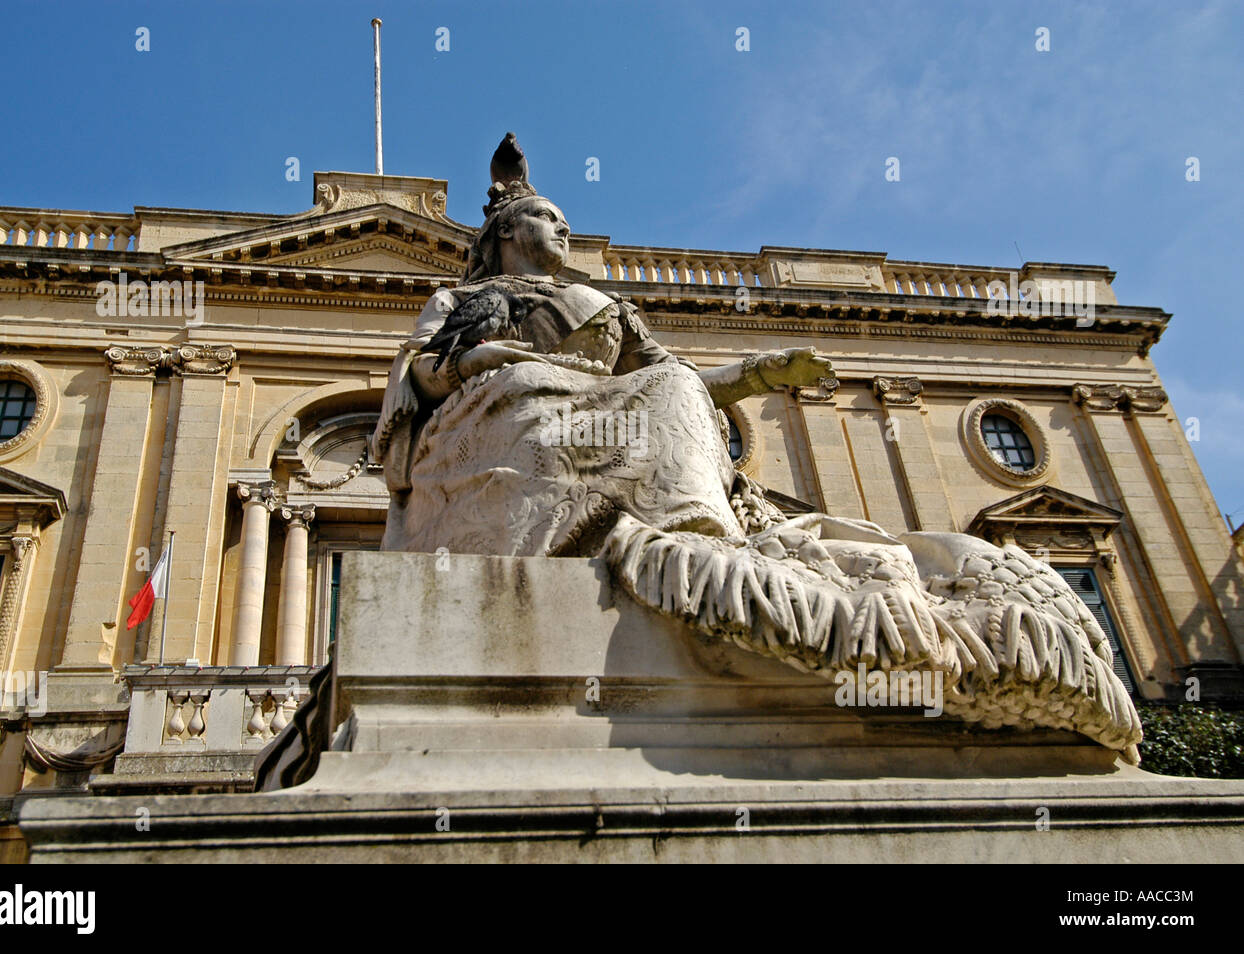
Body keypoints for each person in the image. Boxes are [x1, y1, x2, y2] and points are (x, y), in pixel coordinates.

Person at [373, 137, 1141, 760]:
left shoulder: (603, 303)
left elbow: (671, 377)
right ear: (510, 230)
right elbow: (423, 372)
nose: (563, 232)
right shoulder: (462, 300)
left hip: (596, 416)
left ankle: (693, 541)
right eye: (549, 219)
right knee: (577, 405)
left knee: (671, 391)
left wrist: (759, 372)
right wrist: (481, 360)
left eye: (566, 222)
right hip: (499, 412)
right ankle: (681, 546)